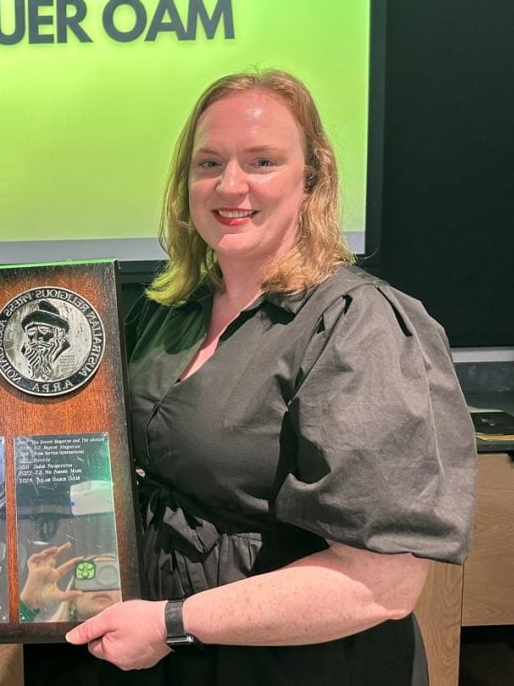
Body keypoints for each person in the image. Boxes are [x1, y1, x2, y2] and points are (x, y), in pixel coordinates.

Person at [63, 70, 477, 685]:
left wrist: (175, 622)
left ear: (311, 180)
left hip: (294, 665)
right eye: (209, 163)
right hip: (159, 650)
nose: (231, 185)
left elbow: (382, 585)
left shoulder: (359, 324)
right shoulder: (164, 311)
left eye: (261, 161)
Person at [19, 544, 122, 622]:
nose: (101, 586)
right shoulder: (48, 640)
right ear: (72, 600)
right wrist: (27, 607)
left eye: (110, 577)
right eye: (89, 577)